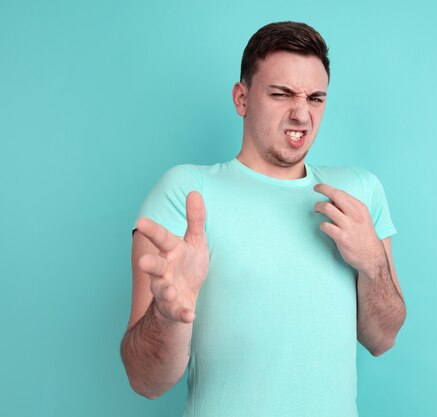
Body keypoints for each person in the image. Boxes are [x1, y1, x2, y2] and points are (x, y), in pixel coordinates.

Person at [120, 21, 406, 417]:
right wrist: (168, 316)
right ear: (242, 98)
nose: (301, 115)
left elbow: (382, 338)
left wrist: (373, 263)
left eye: (316, 98)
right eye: (281, 94)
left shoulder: (358, 191)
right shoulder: (186, 193)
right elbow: (144, 380)